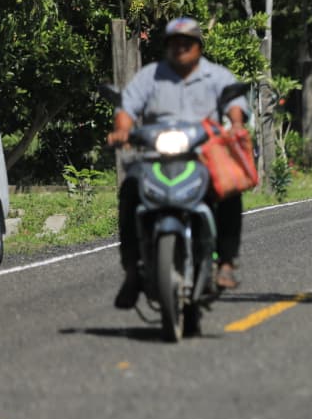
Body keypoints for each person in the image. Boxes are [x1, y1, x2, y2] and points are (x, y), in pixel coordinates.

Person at [107, 17, 250, 309]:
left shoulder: (217, 75)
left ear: (199, 46)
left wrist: (235, 123)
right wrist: (122, 130)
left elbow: (235, 104)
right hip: (155, 156)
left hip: (204, 156)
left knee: (230, 191)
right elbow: (127, 107)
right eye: (174, 43)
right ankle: (132, 270)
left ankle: (226, 262)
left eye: (187, 43)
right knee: (130, 190)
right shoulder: (150, 76)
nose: (181, 48)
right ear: (166, 46)